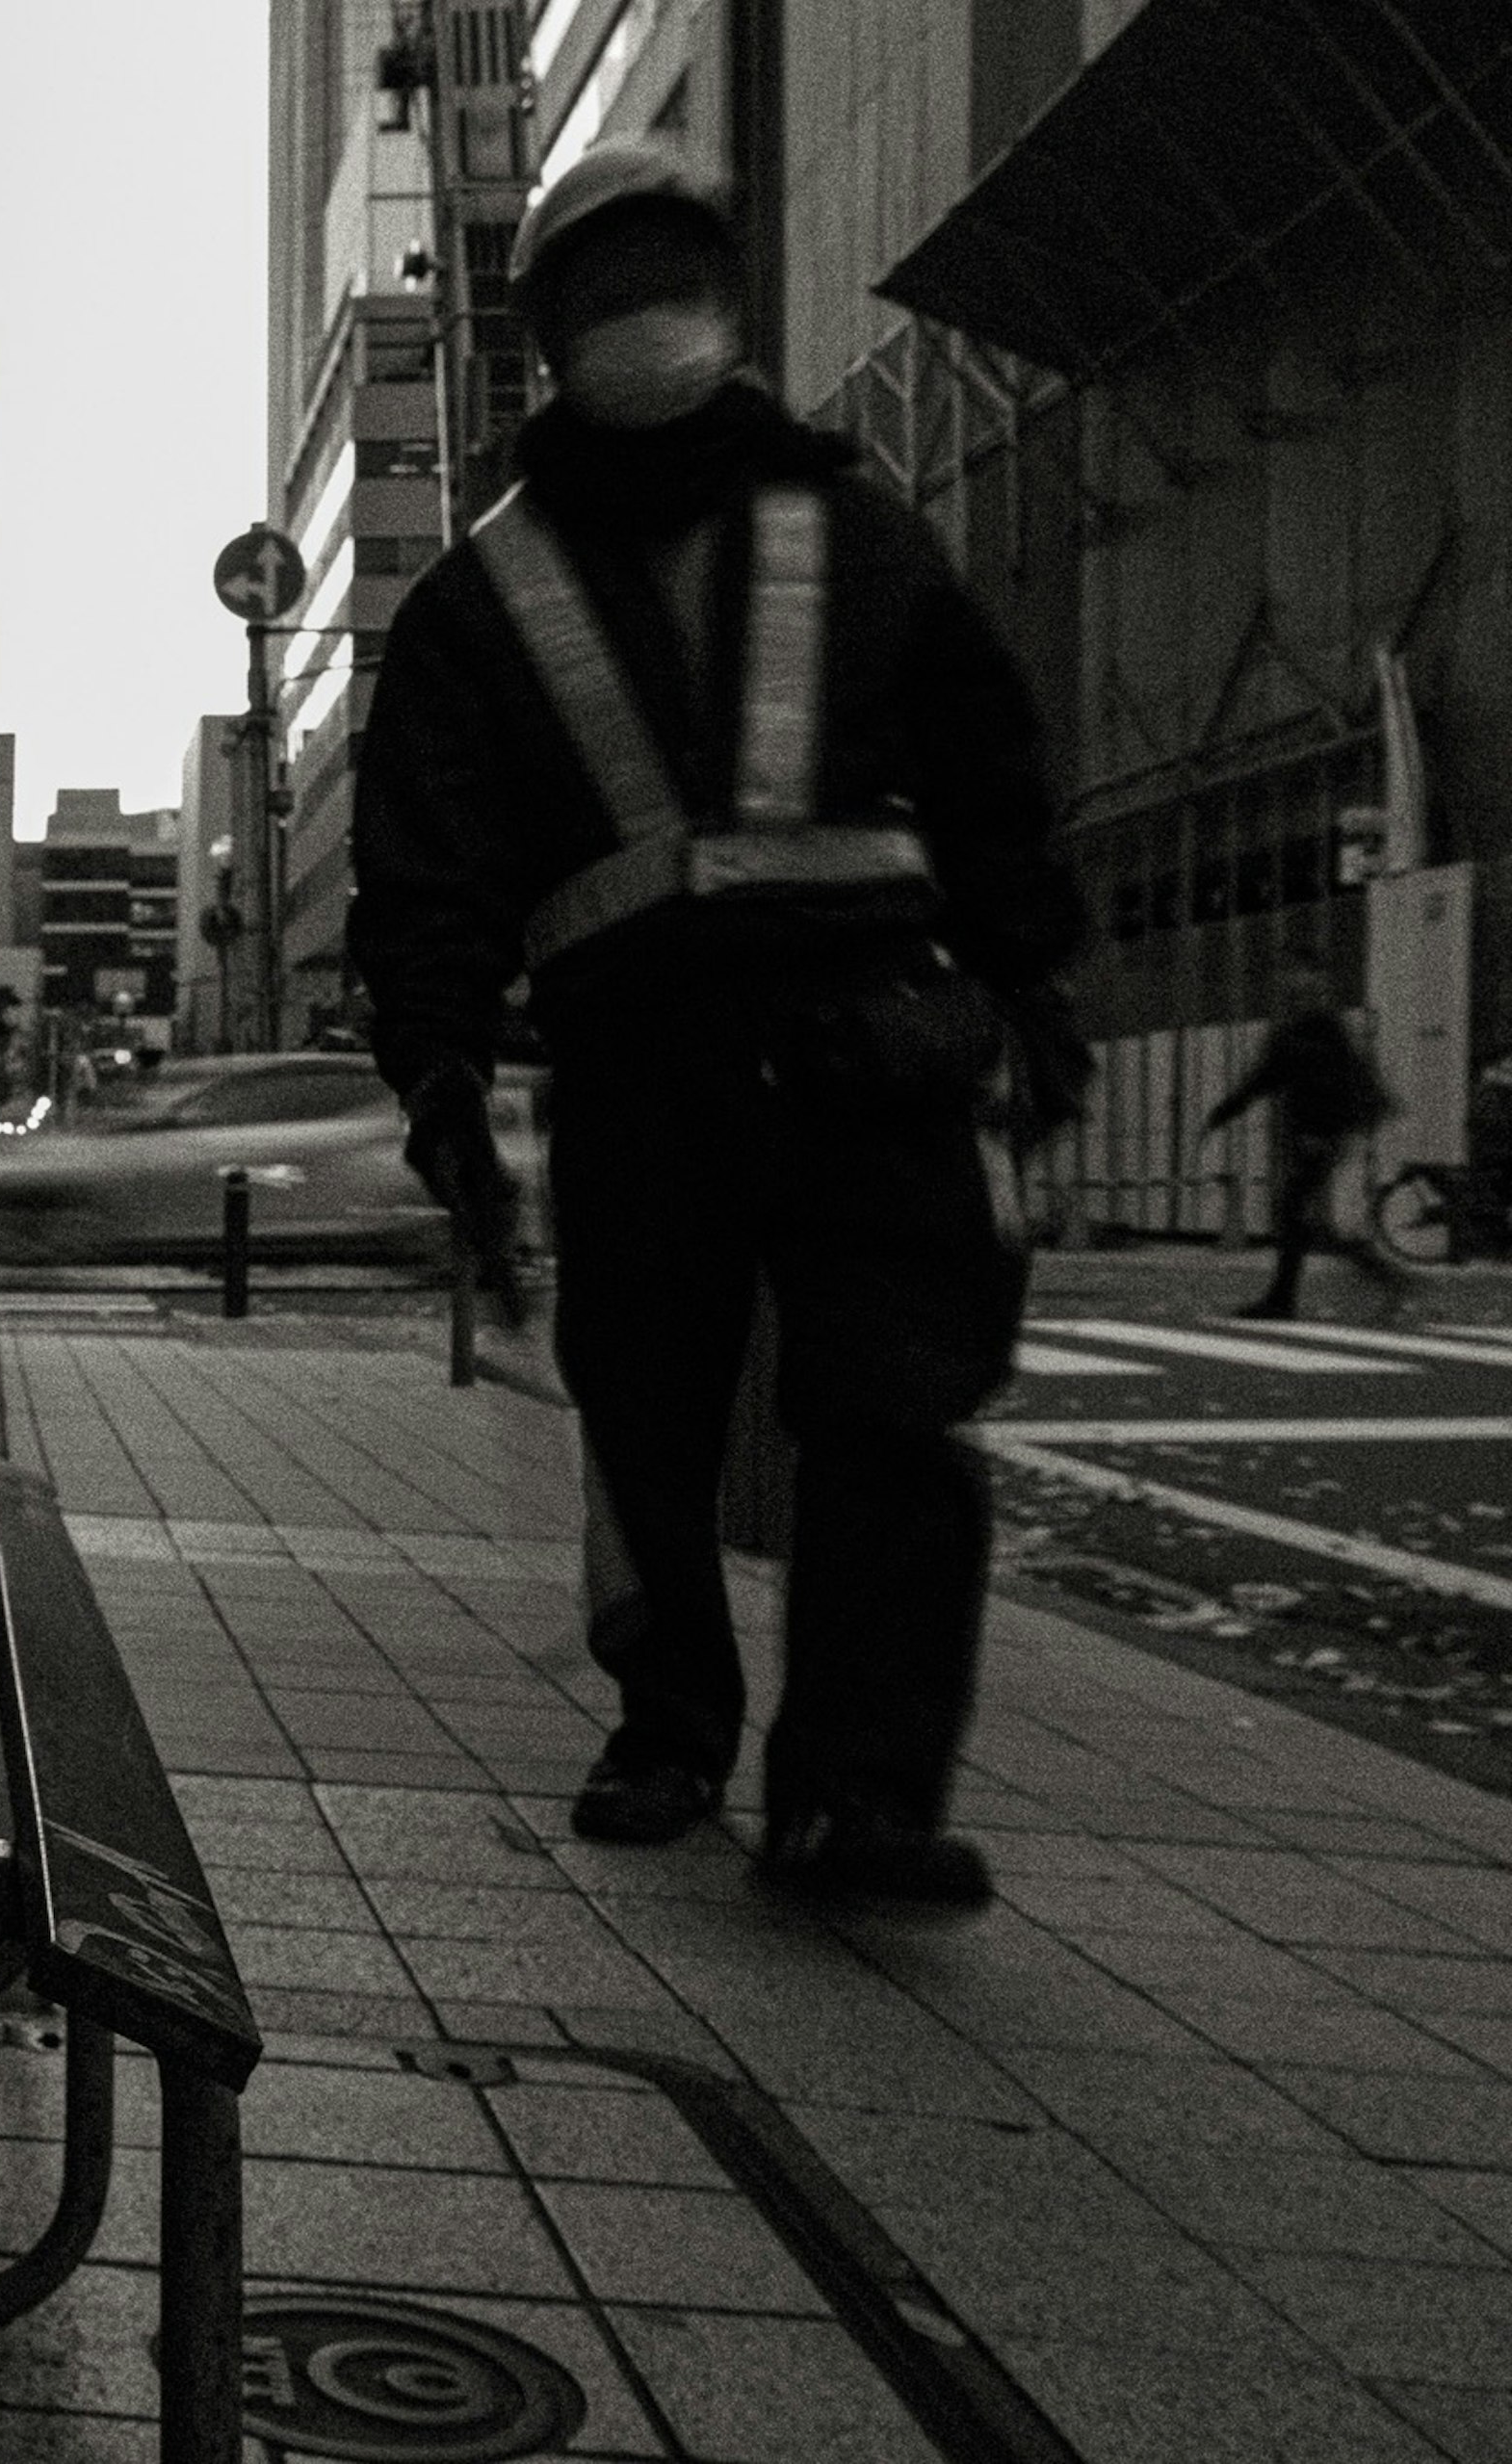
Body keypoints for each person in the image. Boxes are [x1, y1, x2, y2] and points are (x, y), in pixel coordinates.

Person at [348, 144, 1089, 1907]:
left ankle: (855, 1797)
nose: (644, 323)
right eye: (608, 296)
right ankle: (671, 1725)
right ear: (547, 337)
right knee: (645, 1410)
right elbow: (426, 865)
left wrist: (1023, 990)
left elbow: (992, 782)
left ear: (730, 303)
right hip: (645, 1063)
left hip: (875, 1048)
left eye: (666, 282)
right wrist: (439, 1066)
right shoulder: (486, 596)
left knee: (896, 1416)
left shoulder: (859, 531)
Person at [1203, 963, 1405, 1316]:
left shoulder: (1308, 1033)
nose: (1293, 991)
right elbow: (1271, 1079)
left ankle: (1285, 1299)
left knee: (1293, 1212)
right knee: (1303, 1218)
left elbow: (1272, 1081)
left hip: (1318, 1134)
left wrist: (1222, 1114)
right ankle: (1377, 1277)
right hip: (1324, 1133)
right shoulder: (1318, 1030)